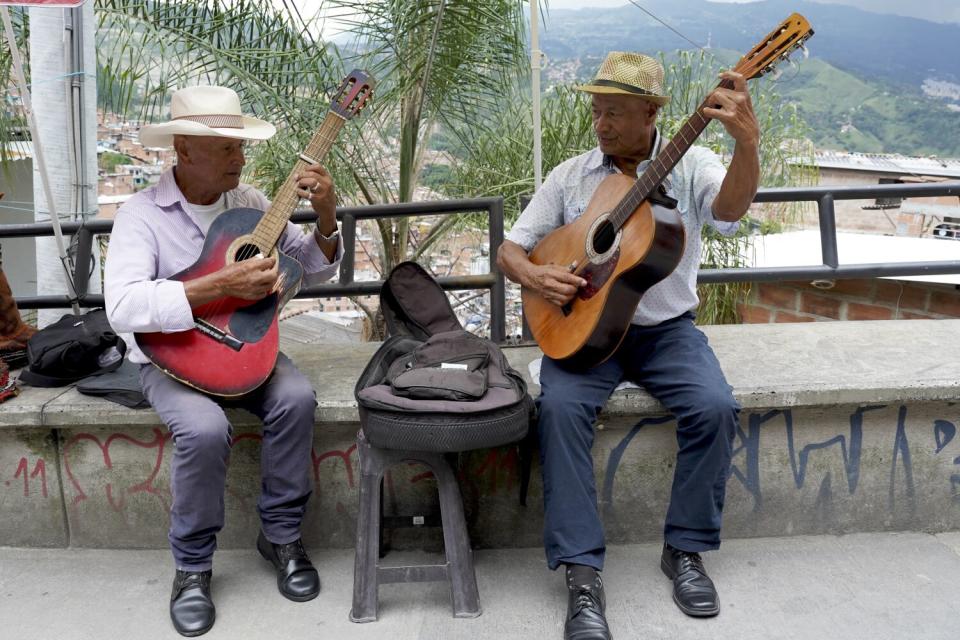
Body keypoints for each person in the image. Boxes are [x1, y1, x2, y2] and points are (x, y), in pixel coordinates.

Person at [497, 52, 760, 639]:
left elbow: (731, 211)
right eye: (596, 111)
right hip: (585, 333)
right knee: (560, 411)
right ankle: (582, 575)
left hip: (666, 333)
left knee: (715, 407)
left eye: (614, 112)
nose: (601, 124)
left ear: (650, 113)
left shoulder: (693, 163)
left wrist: (747, 144)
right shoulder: (570, 175)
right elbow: (511, 249)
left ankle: (685, 551)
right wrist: (537, 277)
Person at [104, 85, 343, 637]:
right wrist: (216, 284)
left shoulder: (254, 204)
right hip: (172, 359)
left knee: (296, 398)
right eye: (228, 147)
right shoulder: (140, 216)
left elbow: (313, 266)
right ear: (185, 149)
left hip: (243, 350)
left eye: (240, 145)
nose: (241, 157)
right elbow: (122, 307)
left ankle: (281, 535)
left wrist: (326, 216)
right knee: (206, 429)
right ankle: (191, 568)